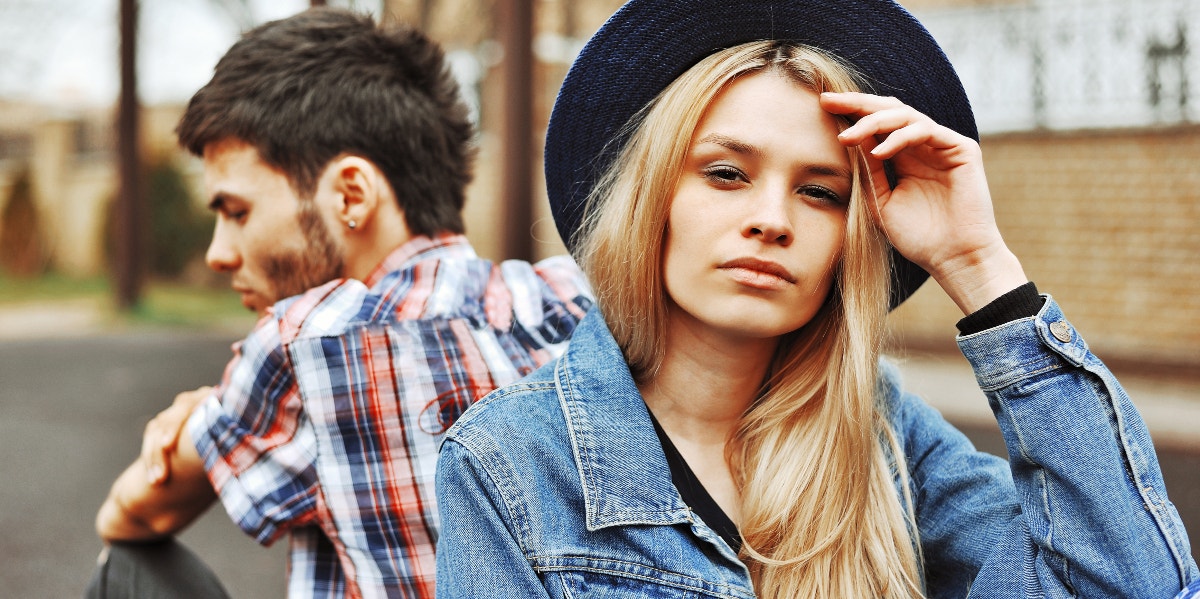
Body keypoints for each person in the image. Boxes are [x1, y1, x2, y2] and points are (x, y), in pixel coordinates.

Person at [433, 0, 1198, 597]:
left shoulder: (886, 439)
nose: (771, 219)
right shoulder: (510, 462)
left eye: (821, 191)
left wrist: (978, 263)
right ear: (652, 199)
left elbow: (1130, 582)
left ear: (851, 238)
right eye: (727, 173)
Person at [91, 7, 592, 598]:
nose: (218, 254)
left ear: (352, 194)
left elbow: (132, 515)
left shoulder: (306, 343)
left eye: (236, 212)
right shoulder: (576, 297)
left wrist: (206, 414)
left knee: (125, 567)